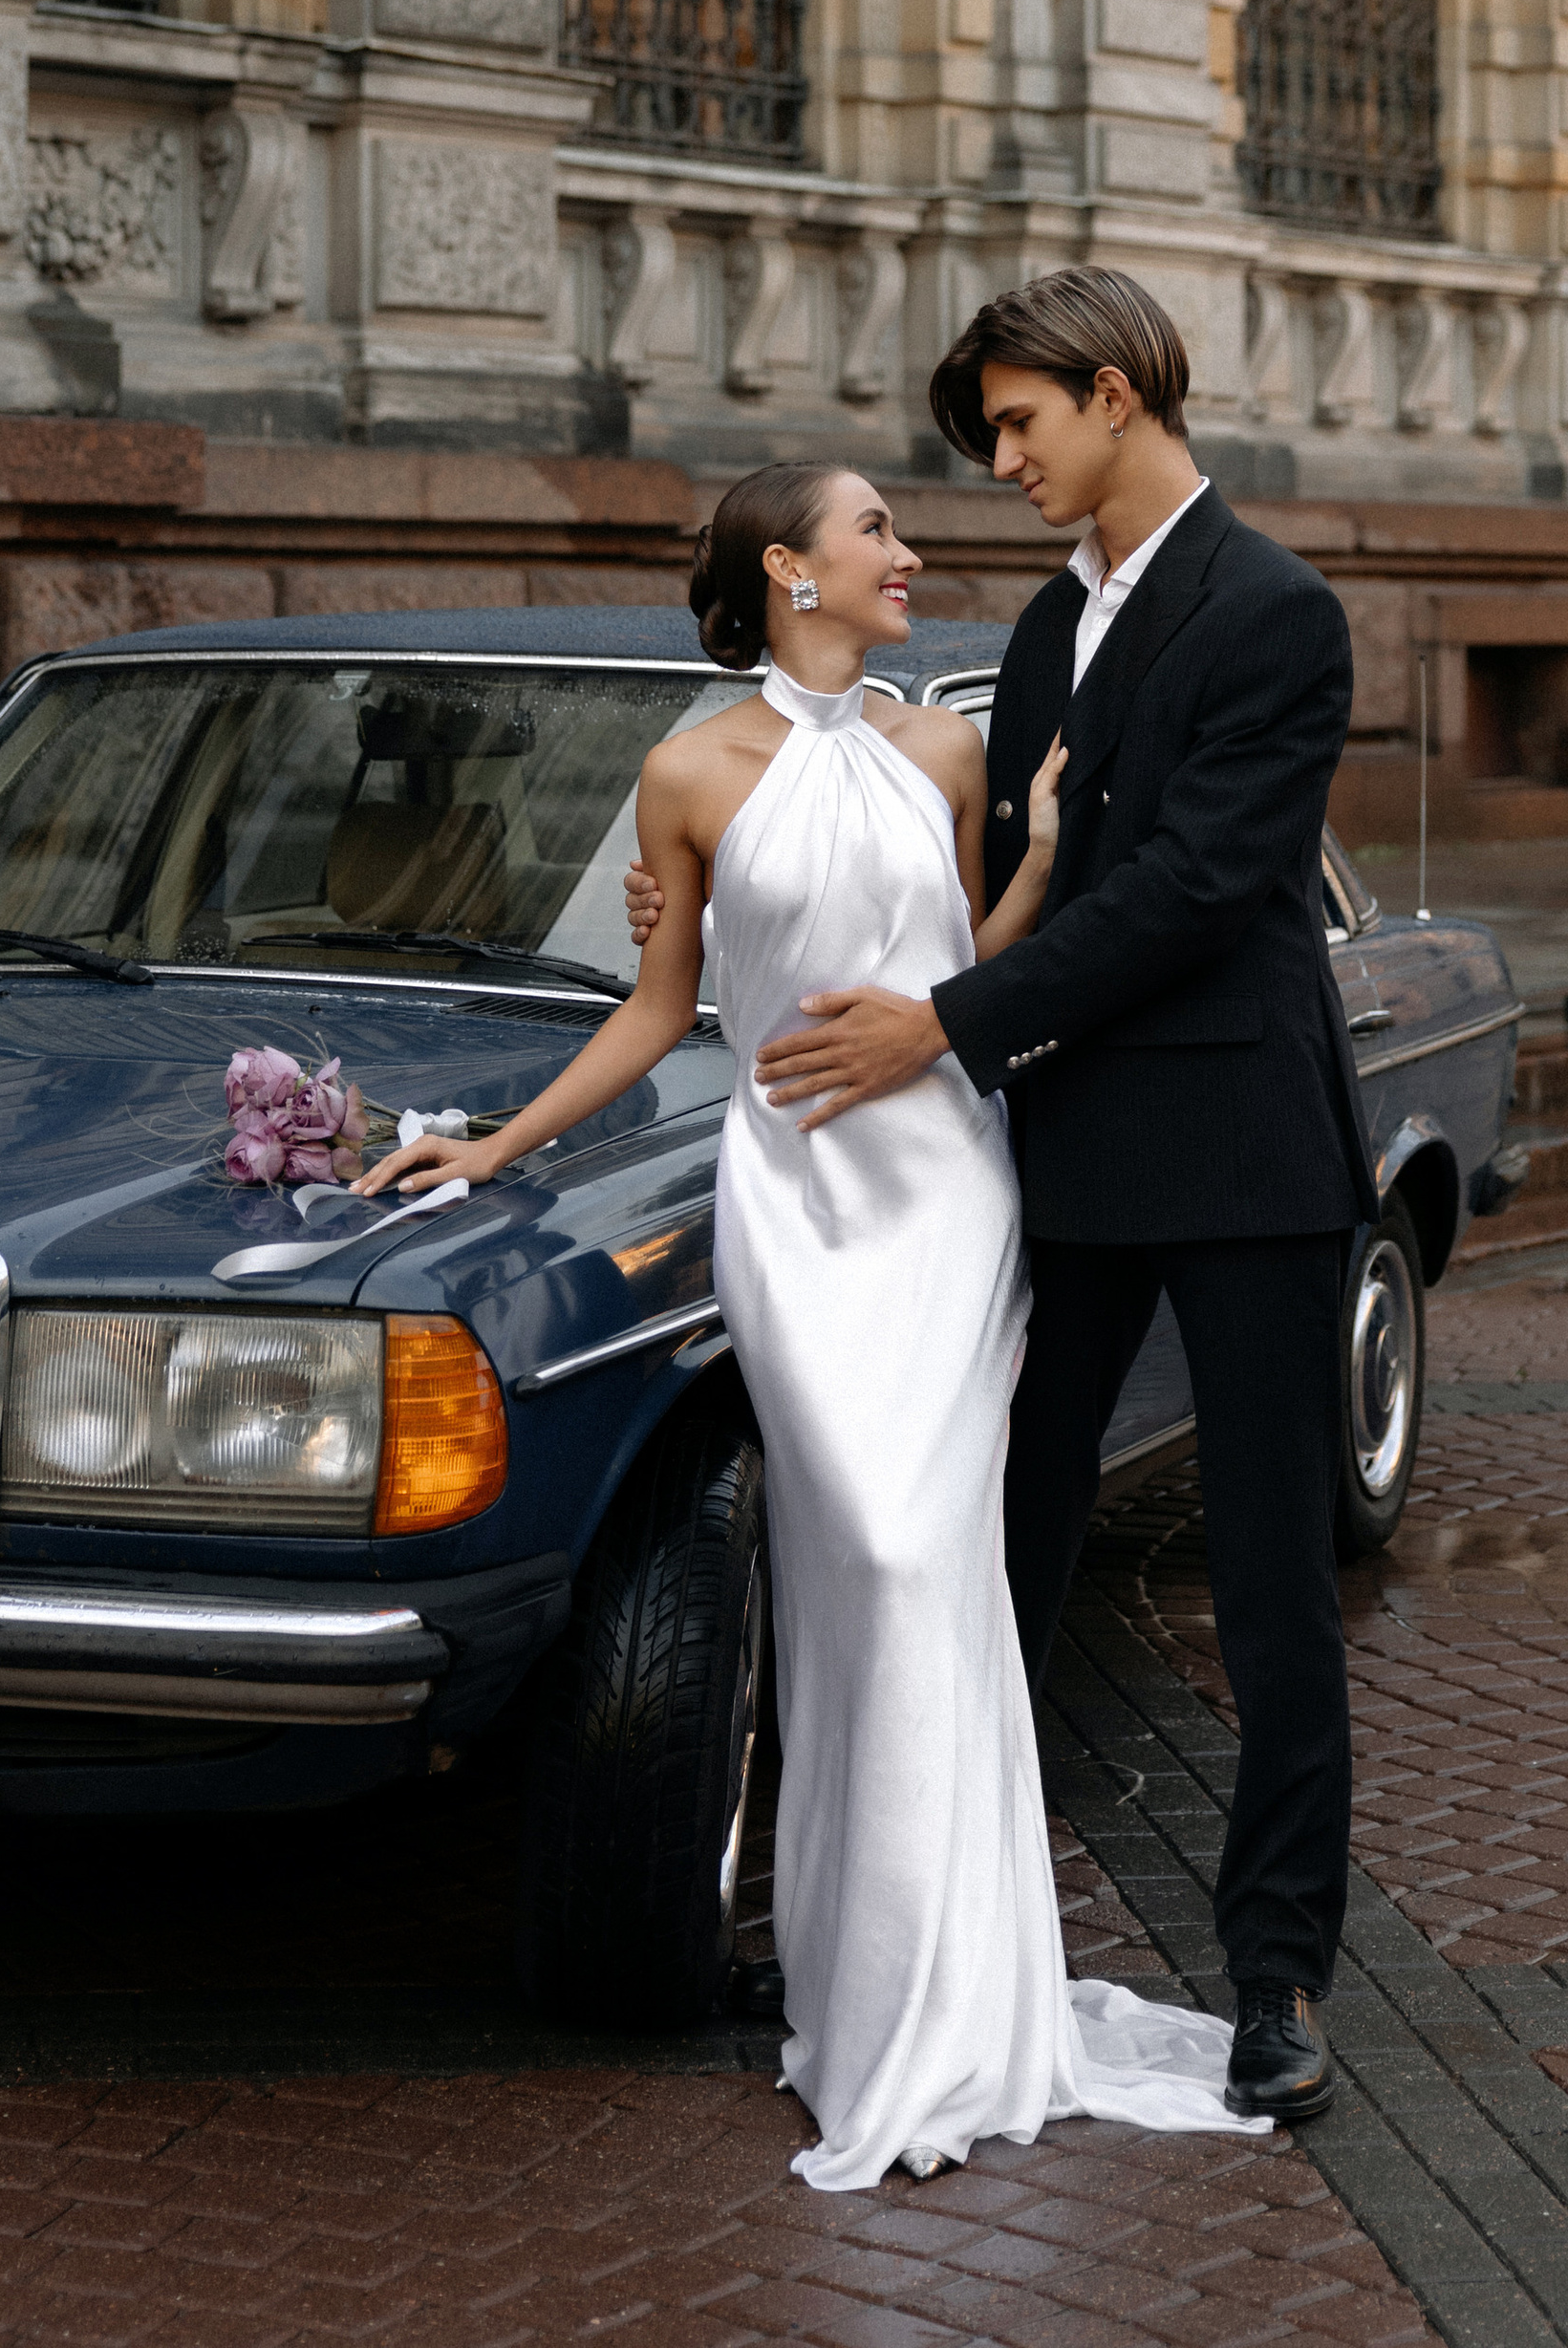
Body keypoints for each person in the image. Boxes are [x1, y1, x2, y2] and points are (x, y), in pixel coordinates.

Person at [356, 457, 1244, 2189]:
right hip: (791, 1199)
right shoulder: (685, 768)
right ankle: (860, 1998)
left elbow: (965, 970)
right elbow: (663, 1010)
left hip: (946, 1192)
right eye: (877, 535)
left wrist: (1048, 860)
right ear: (791, 570)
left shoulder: (951, 749)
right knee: (847, 1568)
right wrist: (501, 1142)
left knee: (928, 1562)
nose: (909, 557)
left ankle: (955, 2010)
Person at [740, 267, 1378, 2128]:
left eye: (1018, 424)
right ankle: (939, 1937)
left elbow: (1187, 891)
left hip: (1247, 1160)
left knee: (1266, 1590)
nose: (999, 461)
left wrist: (935, 1027)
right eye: (987, 434)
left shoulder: (1274, 612)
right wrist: (717, 916)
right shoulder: (1036, 630)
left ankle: (1274, 1981)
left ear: (1113, 395)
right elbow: (982, 877)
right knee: (985, 1538)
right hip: (1065, 1154)